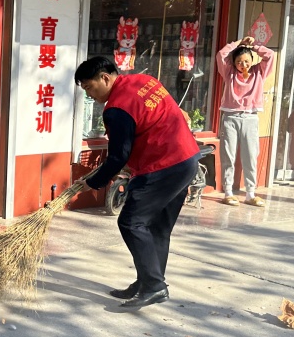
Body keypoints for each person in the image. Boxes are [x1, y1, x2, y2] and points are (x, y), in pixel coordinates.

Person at [75, 56, 201, 309]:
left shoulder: (117, 108)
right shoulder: (145, 81)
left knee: (131, 223)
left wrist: (93, 182)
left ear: (105, 78)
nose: (89, 94)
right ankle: (148, 282)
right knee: (158, 228)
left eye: (89, 87)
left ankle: (154, 286)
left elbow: (118, 156)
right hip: (187, 159)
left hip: (163, 166)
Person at [217, 36, 275, 207]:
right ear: (234, 63)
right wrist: (238, 43)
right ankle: (228, 192)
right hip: (230, 117)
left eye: (247, 61)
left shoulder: (259, 72)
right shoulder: (229, 73)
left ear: (252, 60)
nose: (243, 65)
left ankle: (250, 193)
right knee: (228, 155)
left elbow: (270, 55)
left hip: (250, 118)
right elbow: (221, 54)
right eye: (239, 62)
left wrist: (254, 45)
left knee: (250, 156)